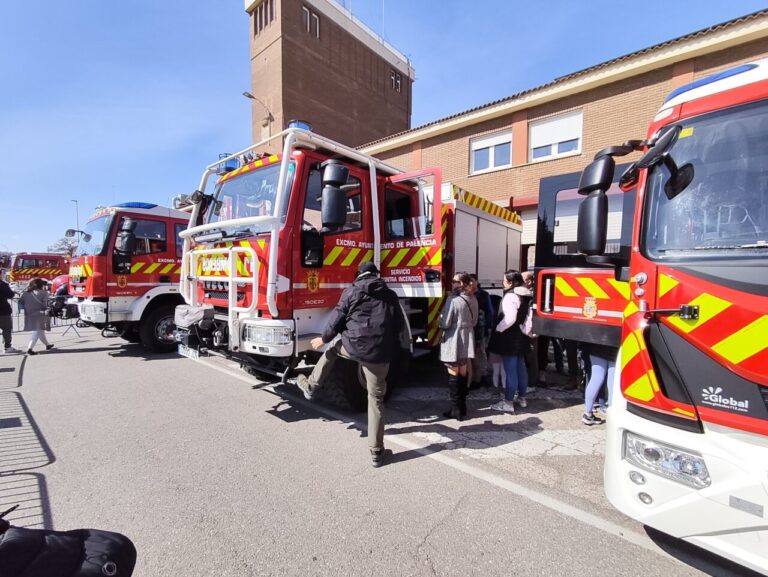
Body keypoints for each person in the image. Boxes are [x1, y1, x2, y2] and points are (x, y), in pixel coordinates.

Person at [294, 262, 404, 467]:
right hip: (380, 354)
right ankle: (376, 453)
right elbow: (398, 326)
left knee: (333, 351)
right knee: (376, 400)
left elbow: (337, 319)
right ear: (376, 275)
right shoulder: (390, 295)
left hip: (353, 347)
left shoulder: (352, 291)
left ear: (360, 275)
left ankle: (311, 385)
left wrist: (324, 339)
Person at [487, 270, 532, 413]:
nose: (503, 282)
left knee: (510, 370)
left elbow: (510, 318)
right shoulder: (524, 294)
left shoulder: (510, 296)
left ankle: (508, 402)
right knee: (521, 368)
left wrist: (499, 328)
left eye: (504, 280)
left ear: (511, 282)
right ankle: (522, 398)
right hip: (522, 335)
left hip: (509, 338)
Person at [439, 272, 477, 421]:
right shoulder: (472, 298)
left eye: (454, 281)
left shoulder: (453, 299)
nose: (452, 283)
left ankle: (456, 410)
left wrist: (439, 321)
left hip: (454, 338)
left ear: (461, 284)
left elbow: (446, 323)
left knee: (453, 374)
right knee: (462, 372)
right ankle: (462, 408)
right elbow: (474, 321)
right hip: (467, 337)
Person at [581, 342, 618, 425]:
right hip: (616, 346)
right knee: (613, 383)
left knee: (596, 378)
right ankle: (612, 419)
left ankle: (588, 414)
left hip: (597, 344)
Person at [468, 274, 493, 388]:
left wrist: (485, 328)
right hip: (470, 330)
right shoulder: (467, 295)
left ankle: (481, 378)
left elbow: (490, 313)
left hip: (480, 330)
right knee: (471, 357)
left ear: (477, 282)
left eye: (472, 281)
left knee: (479, 355)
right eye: (469, 282)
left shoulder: (483, 295)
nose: (471, 284)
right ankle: (473, 378)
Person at [19, 278, 54, 355]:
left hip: (29, 313)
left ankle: (47, 345)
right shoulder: (44, 293)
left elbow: (21, 302)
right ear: (41, 285)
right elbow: (44, 304)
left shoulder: (27, 292)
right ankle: (30, 349)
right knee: (37, 331)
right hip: (40, 314)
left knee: (40, 331)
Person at [521, 271, 539, 389]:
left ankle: (532, 383)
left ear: (528, 281)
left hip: (530, 332)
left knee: (531, 357)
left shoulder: (531, 296)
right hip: (528, 331)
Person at [0, 270, 20, 354]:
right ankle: (7, 347)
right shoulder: (3, 285)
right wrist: (13, 290)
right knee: (7, 329)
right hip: (3, 310)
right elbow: (10, 295)